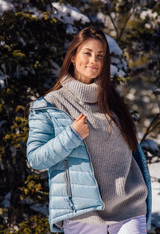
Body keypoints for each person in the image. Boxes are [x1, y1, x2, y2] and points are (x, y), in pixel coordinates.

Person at [26, 26, 152, 234]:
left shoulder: (112, 101)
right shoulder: (51, 104)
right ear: (73, 57)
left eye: (100, 56)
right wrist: (71, 136)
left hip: (130, 208)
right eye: (87, 53)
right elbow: (36, 159)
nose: (94, 60)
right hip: (83, 214)